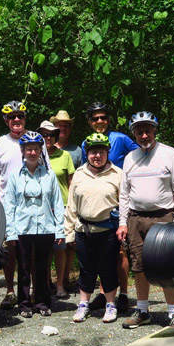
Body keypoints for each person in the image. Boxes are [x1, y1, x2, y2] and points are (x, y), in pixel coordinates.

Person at [117, 112, 174, 328]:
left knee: (166, 267)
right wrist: (122, 222)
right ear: (134, 134)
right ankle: (142, 310)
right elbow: (124, 193)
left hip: (163, 217)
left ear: (155, 131)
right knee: (139, 267)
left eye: (148, 130)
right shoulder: (130, 158)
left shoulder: (170, 154)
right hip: (136, 219)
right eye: (139, 132)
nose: (144, 135)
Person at [82, 101, 138, 312]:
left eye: (103, 117)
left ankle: (123, 293)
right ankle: (105, 293)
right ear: (89, 122)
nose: (99, 121)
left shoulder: (121, 139)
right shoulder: (85, 142)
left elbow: (139, 156)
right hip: (98, 202)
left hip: (120, 199)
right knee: (101, 252)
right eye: (95, 118)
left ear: (109, 120)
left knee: (120, 251)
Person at [2, 131, 65, 318]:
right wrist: (10, 232)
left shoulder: (49, 175)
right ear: (22, 151)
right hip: (22, 228)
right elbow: (10, 205)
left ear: (40, 151)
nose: (32, 152)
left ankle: (42, 303)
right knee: (23, 268)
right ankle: (24, 304)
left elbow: (58, 204)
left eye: (36, 149)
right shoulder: (15, 176)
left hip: (45, 227)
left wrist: (59, 230)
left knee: (42, 267)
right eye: (28, 149)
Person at [0, 100, 48, 308]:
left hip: (34, 204)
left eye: (20, 116)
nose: (16, 119)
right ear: (6, 120)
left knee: (32, 252)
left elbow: (47, 171)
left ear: (25, 118)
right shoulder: (1, 142)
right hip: (9, 205)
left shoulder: (36, 139)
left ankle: (33, 290)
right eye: (11, 116)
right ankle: (10, 291)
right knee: (10, 250)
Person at [64, 133, 122, 323]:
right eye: (93, 152)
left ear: (107, 153)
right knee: (86, 269)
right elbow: (71, 205)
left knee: (108, 269)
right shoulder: (79, 174)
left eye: (101, 151)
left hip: (108, 231)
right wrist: (69, 233)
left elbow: (125, 204)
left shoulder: (118, 174)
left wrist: (124, 227)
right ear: (86, 153)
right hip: (83, 230)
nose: (97, 155)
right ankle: (83, 304)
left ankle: (110, 305)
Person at [39, 120, 76, 299]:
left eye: (51, 134)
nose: (47, 138)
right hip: (41, 208)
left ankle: (60, 284)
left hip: (61, 206)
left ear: (56, 136)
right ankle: (44, 283)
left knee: (60, 248)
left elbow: (71, 184)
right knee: (43, 249)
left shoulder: (65, 156)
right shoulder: (35, 156)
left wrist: (72, 209)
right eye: (44, 135)